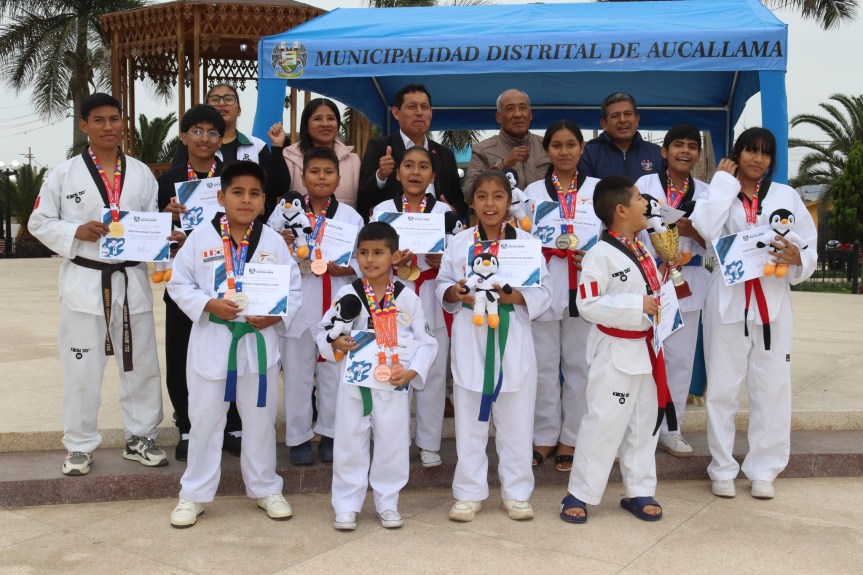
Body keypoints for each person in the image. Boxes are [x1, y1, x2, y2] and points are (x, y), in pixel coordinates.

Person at [29, 93, 178, 475]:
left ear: (122, 122)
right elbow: (39, 223)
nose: (108, 127)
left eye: (114, 119)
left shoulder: (141, 173)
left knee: (140, 364)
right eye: (98, 120)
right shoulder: (63, 174)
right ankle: (79, 445)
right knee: (81, 369)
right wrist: (74, 230)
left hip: (130, 280)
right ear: (84, 126)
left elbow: (149, 225)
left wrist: (164, 235)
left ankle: (141, 438)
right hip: (85, 281)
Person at [166, 161, 302, 527]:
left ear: (264, 200)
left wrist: (275, 315)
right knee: (205, 420)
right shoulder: (200, 238)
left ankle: (265, 487)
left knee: (260, 421)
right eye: (237, 192)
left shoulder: (273, 241)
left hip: (258, 342)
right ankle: (193, 494)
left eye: (254, 194)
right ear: (221, 197)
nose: (246, 200)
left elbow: (293, 290)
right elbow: (178, 285)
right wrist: (209, 304)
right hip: (214, 340)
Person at [692, 128, 817, 500]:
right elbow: (704, 227)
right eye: (750, 151)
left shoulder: (785, 196)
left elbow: (808, 247)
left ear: (772, 159)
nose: (757, 159)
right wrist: (723, 184)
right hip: (727, 299)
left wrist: (799, 258)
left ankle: (764, 469)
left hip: (772, 301)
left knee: (772, 387)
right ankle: (722, 467)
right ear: (737, 153)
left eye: (765, 153)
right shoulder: (721, 190)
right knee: (723, 388)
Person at [436, 171, 551, 523]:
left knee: (517, 421)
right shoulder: (459, 242)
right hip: (471, 333)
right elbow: (442, 283)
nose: (490, 204)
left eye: (498, 196)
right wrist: (454, 292)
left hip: (511, 331)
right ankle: (468, 493)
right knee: (470, 419)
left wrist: (515, 296)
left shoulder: (525, 243)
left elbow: (544, 291)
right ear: (472, 202)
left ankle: (516, 493)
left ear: (509, 201)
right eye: (482, 196)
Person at [560, 175, 671, 524]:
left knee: (645, 424)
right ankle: (579, 492)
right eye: (639, 198)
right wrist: (637, 305)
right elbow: (588, 303)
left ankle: (639, 490)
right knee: (604, 422)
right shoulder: (599, 254)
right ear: (621, 210)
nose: (646, 204)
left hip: (647, 348)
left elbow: (650, 292)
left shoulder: (643, 249)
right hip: (615, 348)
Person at [317, 221, 438, 531]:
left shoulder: (407, 297)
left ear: (394, 257)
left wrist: (412, 372)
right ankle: (346, 504)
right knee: (349, 442)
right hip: (355, 384)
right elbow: (325, 330)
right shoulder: (348, 293)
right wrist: (336, 342)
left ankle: (387, 502)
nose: (369, 259)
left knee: (392, 444)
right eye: (363, 253)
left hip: (392, 383)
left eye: (378, 253)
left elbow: (426, 342)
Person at [267, 147, 363, 465]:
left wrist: (348, 268)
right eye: (314, 171)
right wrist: (280, 244)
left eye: (328, 172)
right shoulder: (284, 211)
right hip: (298, 303)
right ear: (303, 176)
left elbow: (364, 259)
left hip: (336, 303)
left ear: (339, 177)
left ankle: (331, 434)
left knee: (334, 374)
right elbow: (266, 253)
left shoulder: (350, 217)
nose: (321, 177)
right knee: (297, 375)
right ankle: (298, 438)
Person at [157, 104, 238, 461]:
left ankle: (233, 423)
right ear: (184, 136)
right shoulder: (169, 179)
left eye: (213, 132)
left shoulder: (232, 175)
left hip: (229, 278)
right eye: (197, 131)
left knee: (231, 352)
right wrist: (166, 220)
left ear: (222, 138)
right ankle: (187, 426)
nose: (205, 138)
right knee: (181, 355)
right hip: (186, 281)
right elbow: (154, 234)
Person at [522, 120, 600, 472]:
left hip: (584, 285)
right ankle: (544, 434)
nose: (564, 151)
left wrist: (595, 255)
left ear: (582, 148)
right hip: (544, 287)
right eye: (557, 145)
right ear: (547, 150)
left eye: (571, 145)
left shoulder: (597, 190)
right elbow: (521, 239)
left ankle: (571, 436)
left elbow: (612, 235)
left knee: (579, 366)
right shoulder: (533, 192)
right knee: (543, 367)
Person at [371, 146, 453, 468]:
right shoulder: (382, 210)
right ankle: (394, 440)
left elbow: (460, 257)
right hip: (394, 293)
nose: (415, 172)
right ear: (398, 172)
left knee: (432, 367)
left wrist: (443, 259)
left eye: (423, 167)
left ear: (432, 175)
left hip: (431, 292)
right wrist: (389, 260)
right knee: (394, 362)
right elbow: (370, 253)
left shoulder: (445, 212)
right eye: (408, 165)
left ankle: (429, 442)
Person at [635, 124, 710, 458]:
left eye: (692, 146)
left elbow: (715, 242)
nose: (685, 151)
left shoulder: (707, 193)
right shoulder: (644, 185)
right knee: (644, 357)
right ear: (663, 152)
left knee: (679, 359)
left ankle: (672, 429)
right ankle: (641, 427)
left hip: (685, 283)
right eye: (678, 145)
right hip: (648, 280)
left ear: (698, 155)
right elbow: (628, 227)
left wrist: (690, 230)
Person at [173, 83, 289, 215]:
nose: (222, 103)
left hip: (249, 222)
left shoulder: (257, 146)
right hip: (197, 219)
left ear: (239, 110)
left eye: (228, 99)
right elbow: (175, 182)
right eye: (215, 99)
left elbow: (278, 188)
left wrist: (277, 148)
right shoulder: (190, 145)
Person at [357, 84, 466, 221]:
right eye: (412, 107)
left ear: (431, 112)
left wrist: (452, 211)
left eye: (424, 107)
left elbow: (459, 202)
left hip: (436, 229)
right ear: (396, 113)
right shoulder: (380, 147)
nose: (419, 112)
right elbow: (362, 199)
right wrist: (380, 176)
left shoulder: (445, 154)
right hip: (391, 230)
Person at [268, 97, 360, 209]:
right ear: (306, 126)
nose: (325, 124)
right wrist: (277, 147)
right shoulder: (289, 158)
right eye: (317, 119)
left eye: (330, 118)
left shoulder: (353, 160)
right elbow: (275, 189)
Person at [465, 89, 549, 193]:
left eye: (523, 108)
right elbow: (470, 193)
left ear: (530, 114)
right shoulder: (482, 150)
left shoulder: (547, 146)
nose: (518, 114)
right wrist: (502, 165)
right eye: (510, 109)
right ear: (498, 117)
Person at [578, 92, 663, 180]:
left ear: (637, 120)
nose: (622, 120)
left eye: (628, 114)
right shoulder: (588, 154)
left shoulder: (657, 153)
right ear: (604, 124)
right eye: (615, 116)